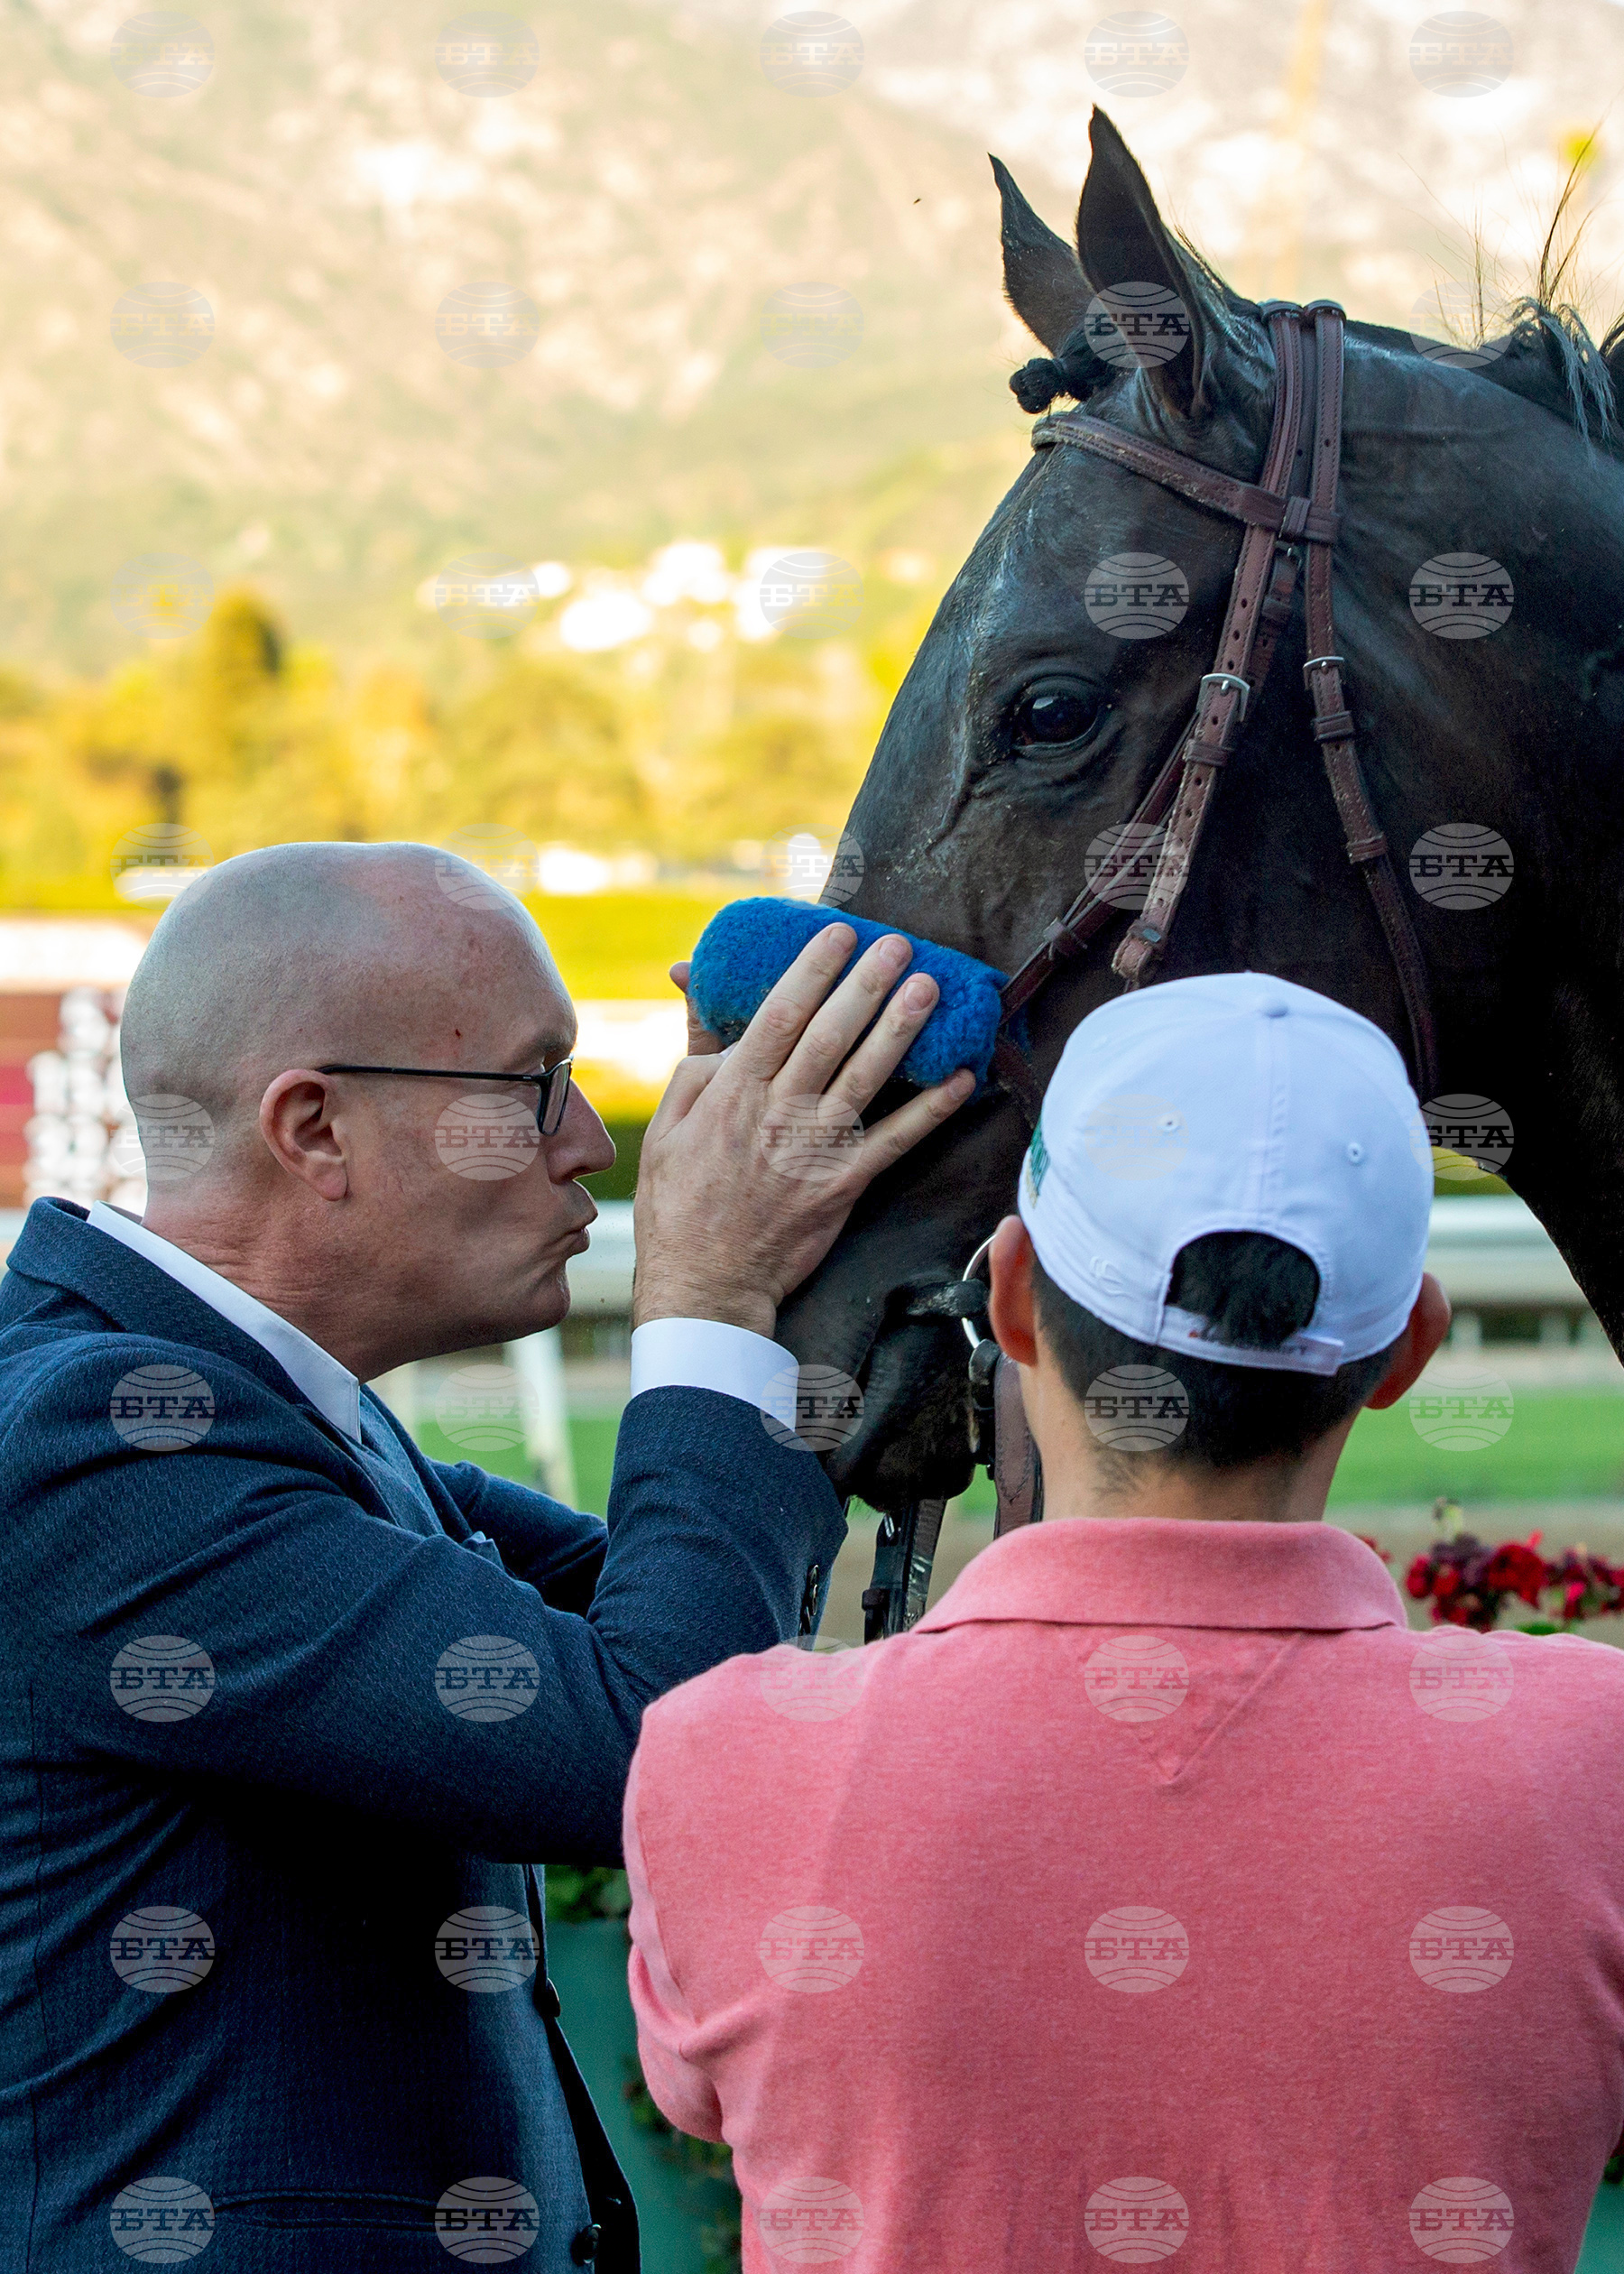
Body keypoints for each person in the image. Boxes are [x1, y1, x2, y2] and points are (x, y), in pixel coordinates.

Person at [0, 843, 973, 2273]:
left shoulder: (263, 1416)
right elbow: (650, 1732)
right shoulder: (108, 1443)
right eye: (537, 1083)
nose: (589, 1139)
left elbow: (714, 1651)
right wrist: (709, 1299)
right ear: (315, 1130)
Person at [625, 970, 1624, 2271]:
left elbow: (706, 2098)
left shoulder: (727, 1754)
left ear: (1016, 1297)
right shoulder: (1592, 1756)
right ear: (1411, 1349)